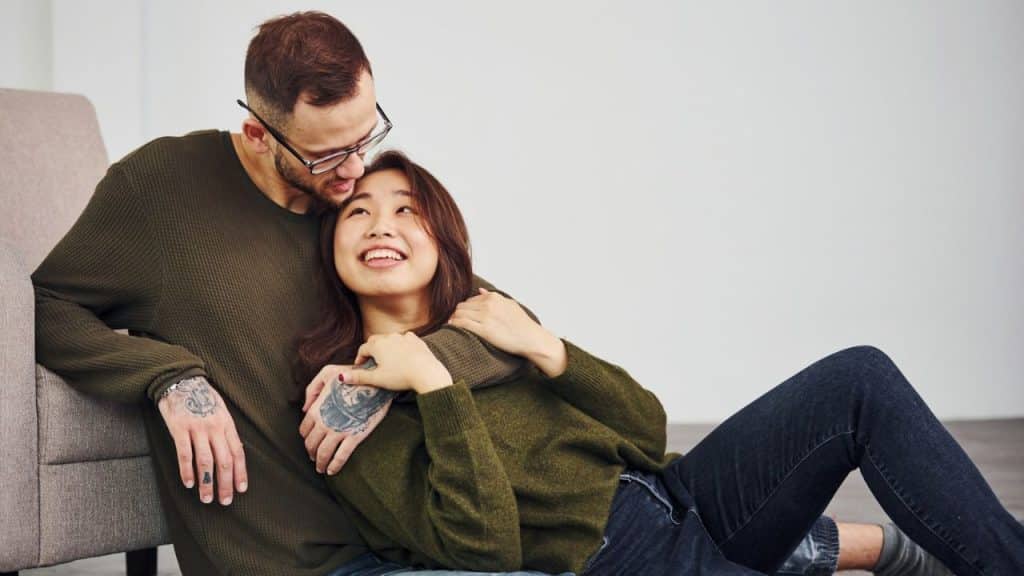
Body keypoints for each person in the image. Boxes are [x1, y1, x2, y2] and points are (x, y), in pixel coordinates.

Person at [297, 150, 1024, 576]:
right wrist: (434, 388)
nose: (382, 226)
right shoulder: (349, 406)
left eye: (406, 210)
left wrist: (549, 350)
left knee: (858, 378)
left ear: (443, 238)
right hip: (620, 556)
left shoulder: (488, 318)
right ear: (333, 250)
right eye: (359, 212)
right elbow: (484, 550)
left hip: (676, 491)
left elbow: (645, 427)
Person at [30, 11, 544, 576]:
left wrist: (385, 377)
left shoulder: (355, 213)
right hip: (302, 566)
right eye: (327, 155)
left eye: (365, 138)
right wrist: (168, 378)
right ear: (258, 134)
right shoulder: (162, 187)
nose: (355, 169)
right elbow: (46, 307)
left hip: (417, 546)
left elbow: (510, 326)